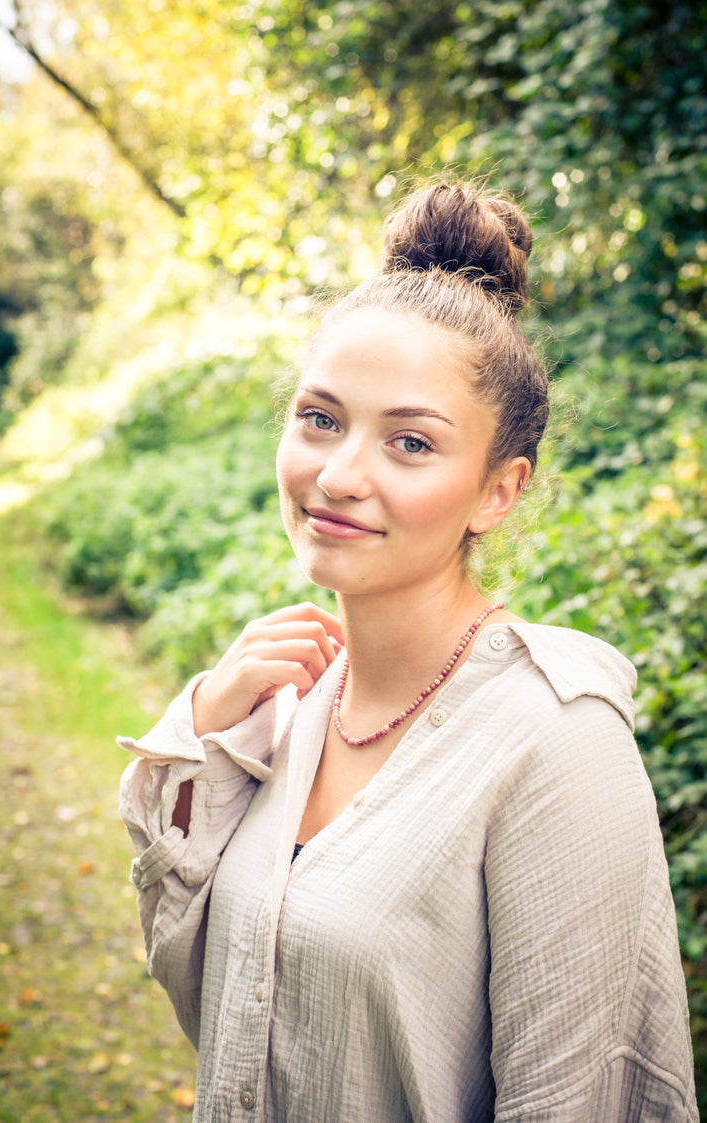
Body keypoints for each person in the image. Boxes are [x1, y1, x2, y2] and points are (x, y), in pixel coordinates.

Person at [118, 181, 698, 1121]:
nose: (339, 476)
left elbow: (578, 1096)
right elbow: (221, 1009)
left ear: (497, 493)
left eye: (412, 443)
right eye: (320, 418)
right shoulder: (290, 704)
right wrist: (204, 734)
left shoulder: (556, 741)